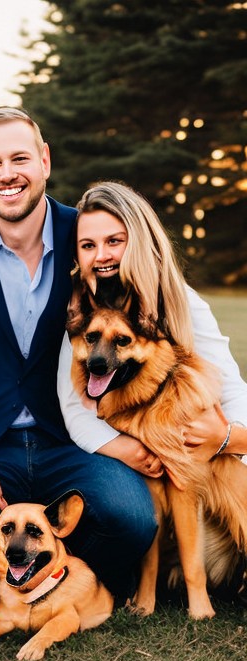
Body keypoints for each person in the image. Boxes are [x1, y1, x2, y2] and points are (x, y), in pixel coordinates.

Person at [0, 106, 158, 636]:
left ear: (45, 159)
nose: (7, 173)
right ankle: (26, 569)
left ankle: (67, 579)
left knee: (132, 519)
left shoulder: (86, 233)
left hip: (69, 439)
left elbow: (155, 290)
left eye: (19, 158)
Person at [57, 180, 247, 474]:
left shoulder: (181, 300)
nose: (101, 255)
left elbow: (232, 389)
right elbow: (73, 408)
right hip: (115, 447)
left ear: (138, 241)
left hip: (184, 446)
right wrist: (130, 451)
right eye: (88, 246)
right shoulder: (76, 308)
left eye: (114, 241)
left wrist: (225, 438)